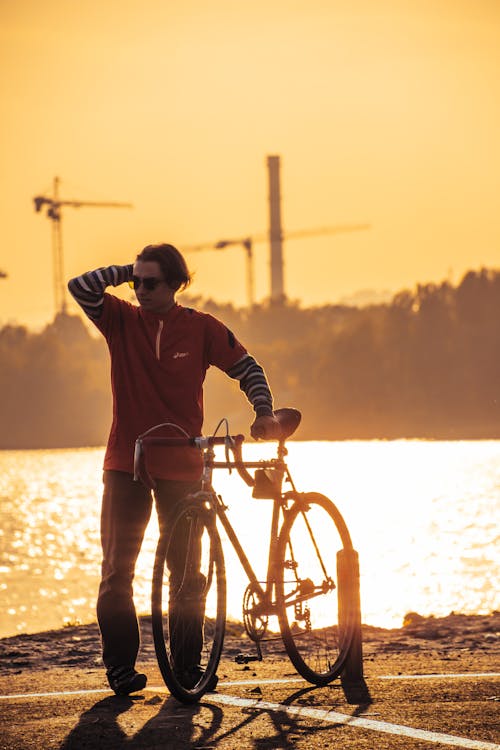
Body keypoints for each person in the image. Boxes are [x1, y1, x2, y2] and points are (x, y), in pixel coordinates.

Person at [68, 243, 280, 696]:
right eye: (136, 282)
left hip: (182, 464)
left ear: (177, 284)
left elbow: (247, 368)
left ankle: (186, 667)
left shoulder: (201, 328)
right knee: (115, 572)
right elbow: (80, 286)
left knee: (186, 573)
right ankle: (121, 670)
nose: (140, 290)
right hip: (126, 461)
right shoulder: (120, 320)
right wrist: (129, 269)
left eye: (151, 282)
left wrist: (262, 410)